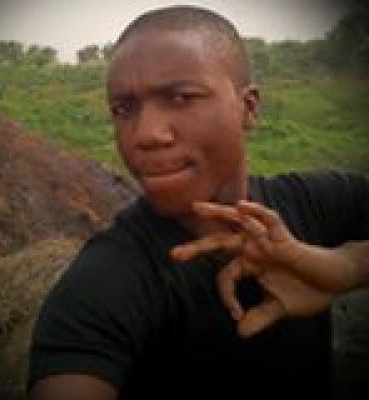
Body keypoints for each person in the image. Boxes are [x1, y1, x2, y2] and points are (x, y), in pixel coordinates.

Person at [27, 5, 369, 400]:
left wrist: (347, 267)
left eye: (180, 97)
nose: (145, 134)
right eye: (124, 109)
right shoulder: (104, 282)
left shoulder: (316, 201)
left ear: (248, 107)